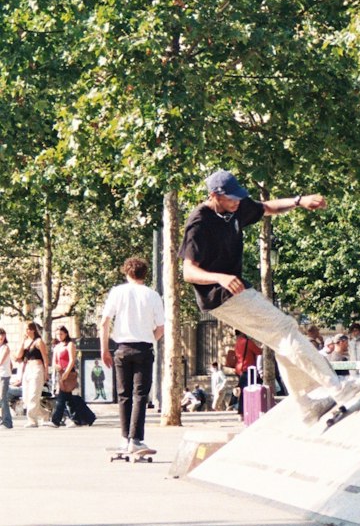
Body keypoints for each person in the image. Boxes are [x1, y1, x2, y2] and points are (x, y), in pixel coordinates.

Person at [180, 171, 335, 410]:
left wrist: (298, 201)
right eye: (231, 199)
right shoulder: (199, 223)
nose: (236, 203)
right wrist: (219, 277)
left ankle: (306, 404)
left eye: (238, 198)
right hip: (220, 296)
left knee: (278, 338)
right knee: (284, 328)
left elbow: (266, 207)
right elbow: (188, 272)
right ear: (214, 196)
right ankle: (337, 387)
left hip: (235, 292)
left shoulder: (236, 208)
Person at [101, 256, 165, 455]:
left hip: (121, 347)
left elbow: (104, 322)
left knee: (124, 395)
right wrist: (149, 339)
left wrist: (104, 349)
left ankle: (124, 437)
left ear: (127, 272)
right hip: (143, 348)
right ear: (145, 274)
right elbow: (161, 327)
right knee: (140, 395)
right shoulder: (153, 295)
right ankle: (136, 439)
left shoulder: (117, 292)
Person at [49, 327, 96, 427]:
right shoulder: (57, 346)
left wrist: (67, 372)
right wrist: (56, 367)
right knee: (70, 399)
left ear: (66, 334)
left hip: (69, 373)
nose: (59, 336)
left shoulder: (70, 345)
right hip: (60, 372)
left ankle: (55, 420)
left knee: (61, 398)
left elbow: (72, 360)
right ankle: (83, 418)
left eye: (61, 334)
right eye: (57, 334)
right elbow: (54, 361)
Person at [16, 323, 48, 427]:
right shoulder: (25, 342)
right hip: (27, 370)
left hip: (37, 368)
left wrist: (46, 372)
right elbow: (18, 356)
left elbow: (45, 358)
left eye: (28, 329)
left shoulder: (39, 342)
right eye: (25, 329)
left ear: (33, 330)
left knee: (33, 396)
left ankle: (32, 420)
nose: (26, 331)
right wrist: (22, 343)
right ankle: (44, 414)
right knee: (26, 398)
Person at [0, 328, 13, 430]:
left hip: (4, 376)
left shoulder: (5, 348)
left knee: (2, 398)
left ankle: (7, 421)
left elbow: (1, 361)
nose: (1, 337)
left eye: (3, 335)